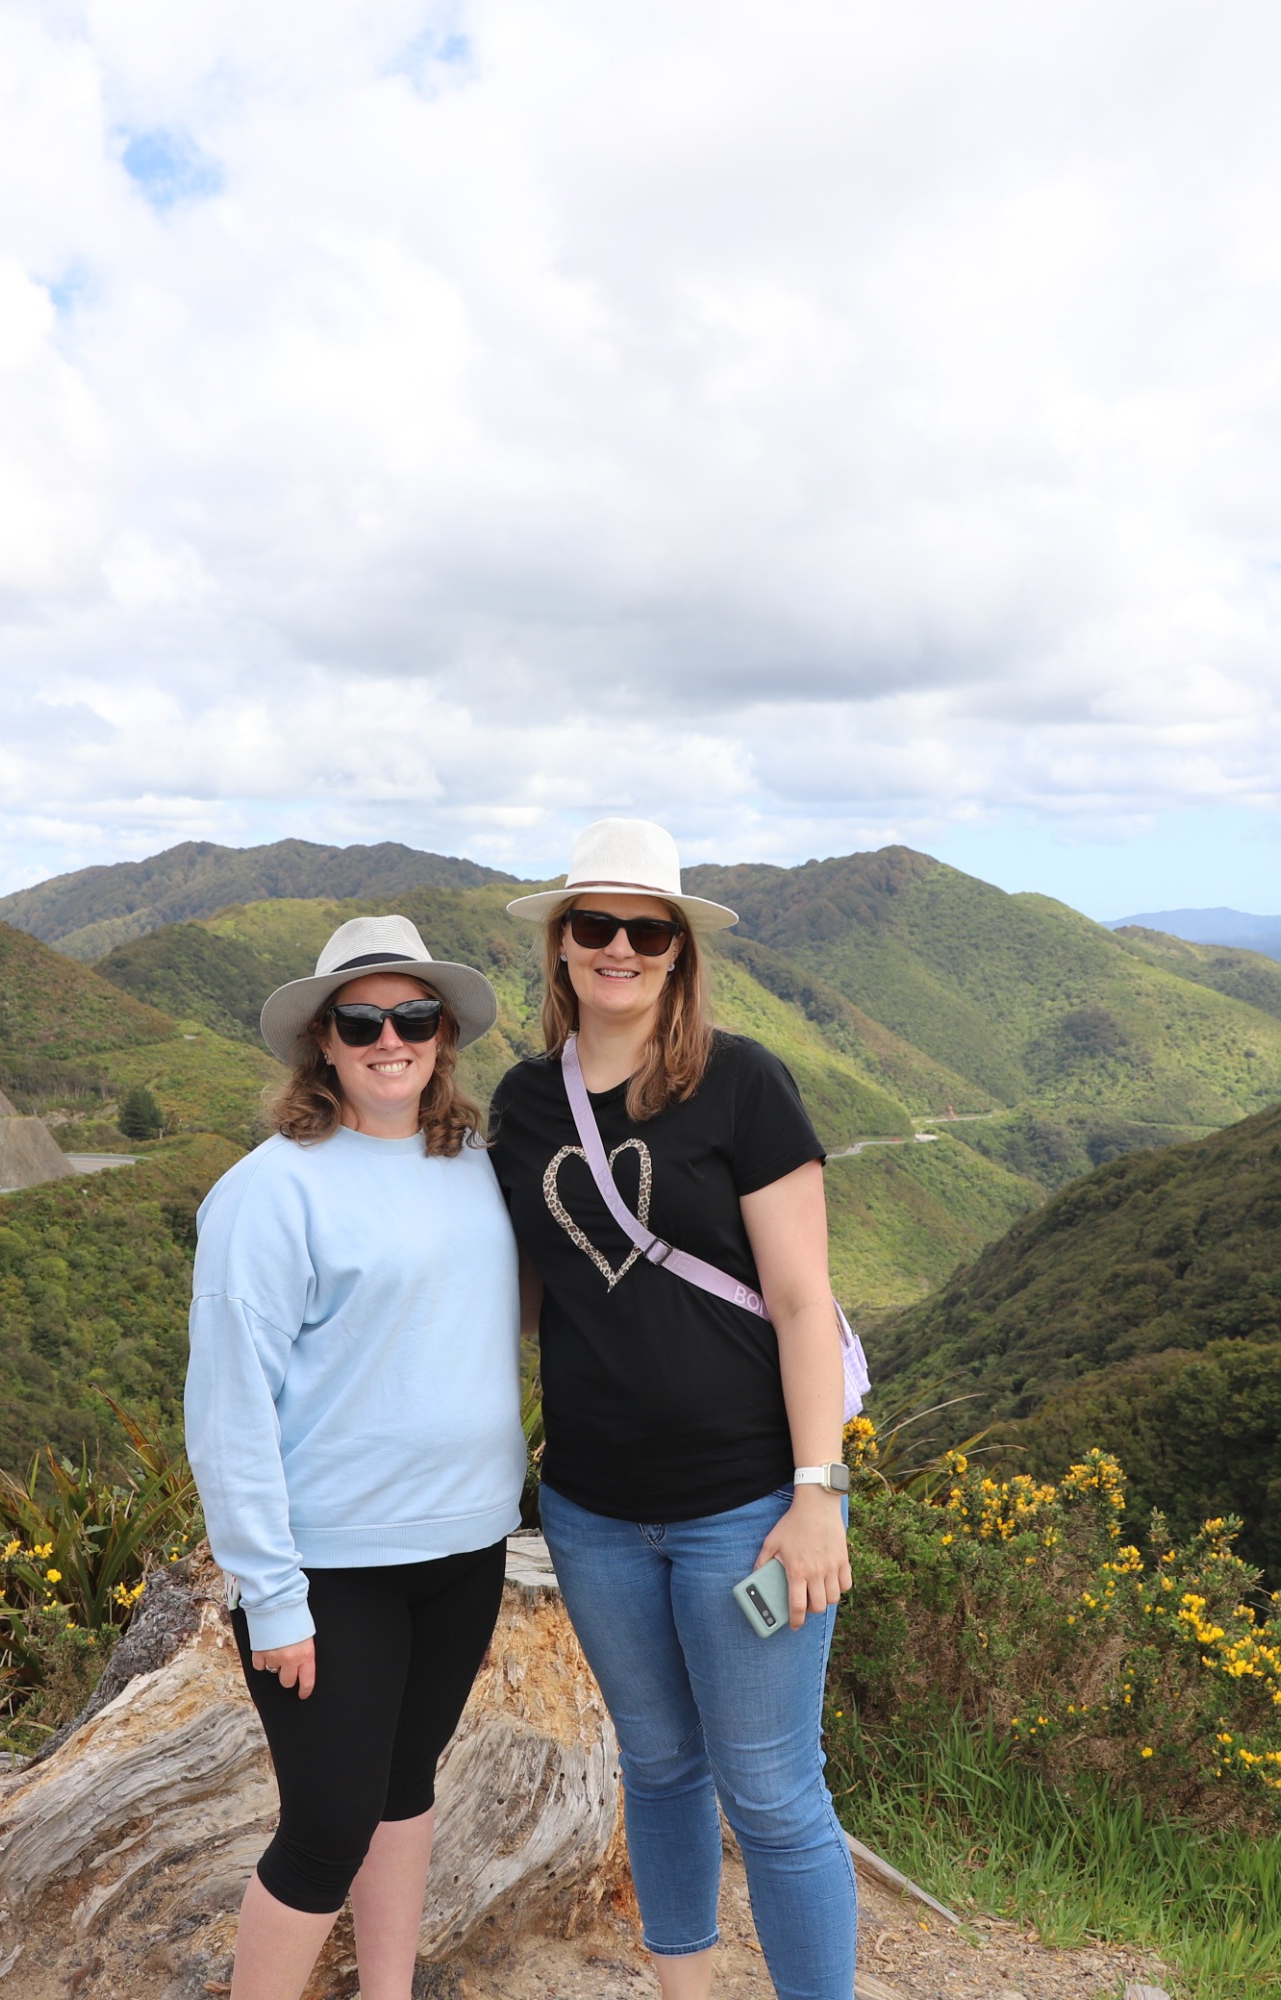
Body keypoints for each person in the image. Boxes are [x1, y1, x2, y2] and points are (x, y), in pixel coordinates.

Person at [488, 817, 860, 2000]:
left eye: (646, 930)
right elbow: (523, 1300)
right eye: (595, 925)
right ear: (559, 947)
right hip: (594, 1512)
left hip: (745, 1508)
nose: (620, 949)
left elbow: (805, 1303)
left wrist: (818, 1494)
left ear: (678, 952)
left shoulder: (741, 1083)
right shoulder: (522, 1104)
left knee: (773, 1788)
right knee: (657, 1763)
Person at [183, 914, 528, 2000]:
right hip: (328, 1568)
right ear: (322, 1043)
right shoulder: (269, 1190)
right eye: (363, 1020)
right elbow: (230, 1405)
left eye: (414, 1016)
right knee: (326, 1823)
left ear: (443, 1035)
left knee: (402, 1783)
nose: (393, 1038)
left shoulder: (476, 1167)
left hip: (466, 1546)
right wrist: (269, 1591)